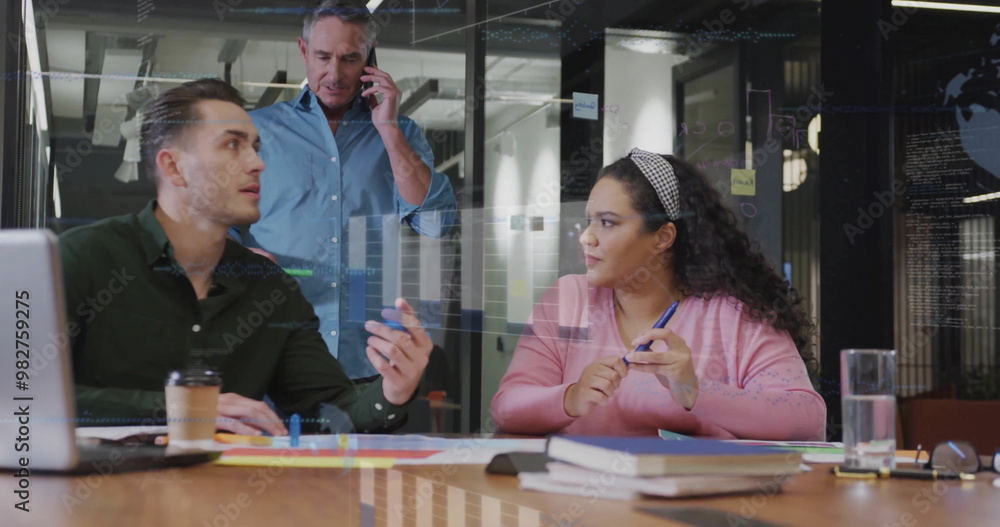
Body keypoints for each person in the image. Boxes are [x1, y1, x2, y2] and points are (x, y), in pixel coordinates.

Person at [61, 78, 433, 435]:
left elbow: (330, 412)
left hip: (224, 497)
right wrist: (178, 410)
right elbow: (19, 399)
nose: (257, 163)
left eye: (256, 146)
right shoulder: (81, 259)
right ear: (173, 166)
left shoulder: (270, 290)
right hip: (90, 496)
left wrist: (392, 391)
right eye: (233, 145)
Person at [490, 149, 826, 439]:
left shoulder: (733, 315)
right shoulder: (566, 299)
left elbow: (805, 418)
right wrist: (571, 398)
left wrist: (696, 391)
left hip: (696, 507)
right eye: (588, 221)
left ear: (663, 237)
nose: (586, 238)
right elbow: (506, 407)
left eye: (607, 223)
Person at [239, 1, 457, 379]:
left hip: (369, 358)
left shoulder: (400, 134)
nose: (334, 74)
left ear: (369, 61)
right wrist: (243, 254)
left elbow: (436, 223)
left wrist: (387, 129)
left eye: (350, 59)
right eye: (322, 56)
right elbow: (214, 223)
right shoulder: (258, 132)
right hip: (274, 353)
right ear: (303, 50)